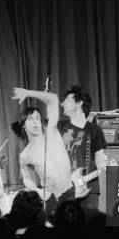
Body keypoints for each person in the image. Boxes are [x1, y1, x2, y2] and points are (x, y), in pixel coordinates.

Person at [11, 87, 73, 220]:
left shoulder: (51, 131)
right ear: (23, 125)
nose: (35, 122)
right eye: (30, 119)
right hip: (52, 199)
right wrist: (38, 190)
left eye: (37, 118)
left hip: (71, 192)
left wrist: (28, 93)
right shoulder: (25, 154)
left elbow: (53, 99)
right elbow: (26, 178)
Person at [59, 85, 108, 211]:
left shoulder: (95, 130)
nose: (63, 103)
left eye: (68, 100)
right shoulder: (59, 127)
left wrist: (105, 164)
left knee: (89, 227)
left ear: (79, 102)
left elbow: (99, 159)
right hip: (63, 188)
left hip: (88, 186)